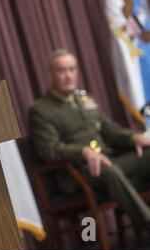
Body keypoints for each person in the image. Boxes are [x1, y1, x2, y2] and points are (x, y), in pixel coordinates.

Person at [29, 49, 150, 232]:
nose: (69, 76)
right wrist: (83, 151)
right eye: (62, 71)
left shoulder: (85, 98)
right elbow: (49, 150)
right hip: (77, 172)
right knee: (110, 171)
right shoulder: (41, 110)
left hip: (108, 159)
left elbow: (109, 130)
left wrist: (133, 137)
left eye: (72, 69)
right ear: (50, 74)